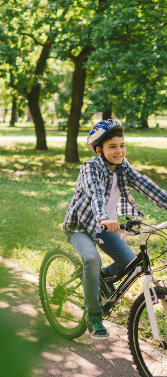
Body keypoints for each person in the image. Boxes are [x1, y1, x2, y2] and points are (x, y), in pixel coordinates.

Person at [63, 119, 167, 340]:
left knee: (129, 263)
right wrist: (103, 217)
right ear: (99, 150)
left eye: (122, 145)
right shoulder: (90, 167)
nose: (119, 151)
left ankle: (97, 280)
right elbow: (96, 192)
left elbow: (146, 185)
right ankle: (93, 316)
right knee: (92, 259)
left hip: (105, 227)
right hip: (80, 226)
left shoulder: (124, 167)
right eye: (113, 147)